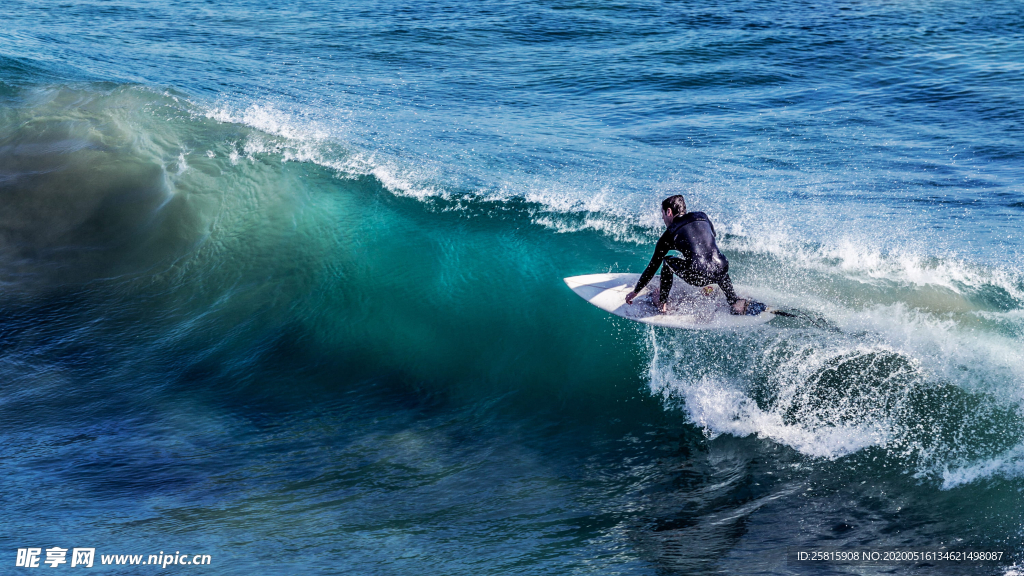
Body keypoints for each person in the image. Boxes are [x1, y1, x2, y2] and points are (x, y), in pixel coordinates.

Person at [624, 195, 750, 315]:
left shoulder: (670, 233)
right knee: (715, 260)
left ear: (669, 212)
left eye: (662, 214)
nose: (662, 218)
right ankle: (734, 301)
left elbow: (652, 267)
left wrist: (635, 292)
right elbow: (711, 236)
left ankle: (662, 302)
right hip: (722, 269)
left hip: (698, 277)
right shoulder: (702, 216)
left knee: (667, 261)